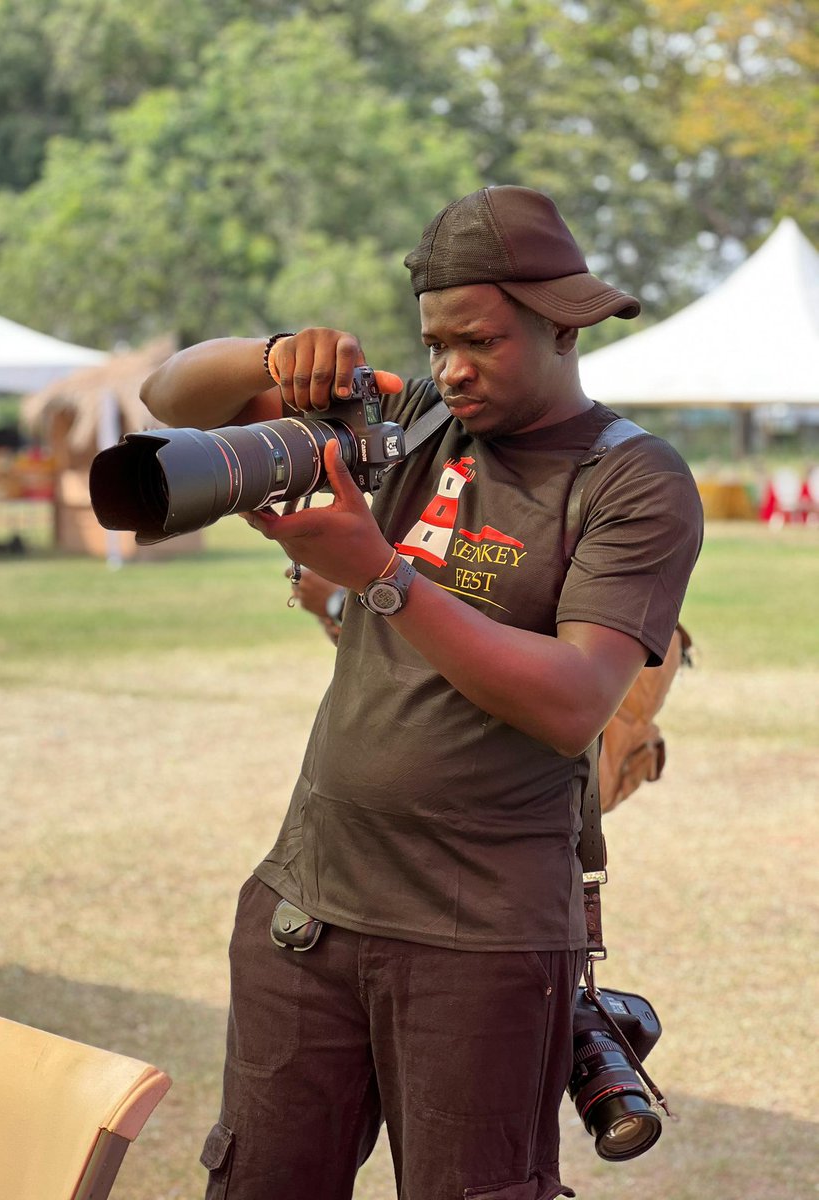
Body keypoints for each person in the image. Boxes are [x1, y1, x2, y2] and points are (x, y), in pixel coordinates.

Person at [141, 185, 703, 1200]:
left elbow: (574, 700)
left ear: (563, 324)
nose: (451, 368)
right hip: (310, 909)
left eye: (479, 341)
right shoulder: (407, 422)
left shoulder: (631, 479)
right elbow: (170, 400)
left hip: (480, 939)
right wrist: (275, 358)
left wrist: (380, 573)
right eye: (436, 341)